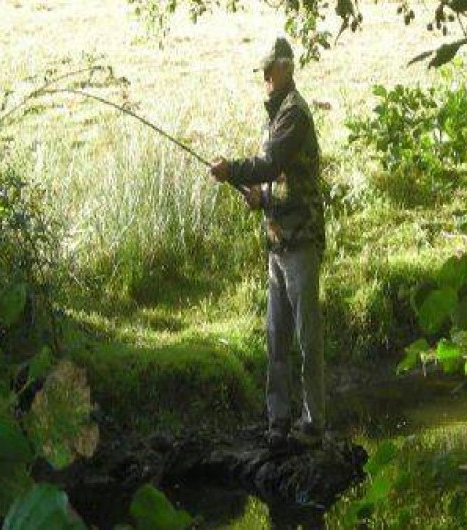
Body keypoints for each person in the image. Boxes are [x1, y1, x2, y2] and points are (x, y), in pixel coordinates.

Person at [210, 37, 326, 448]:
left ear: (285, 69)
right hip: (278, 241)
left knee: (306, 338)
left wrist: (232, 170)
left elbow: (270, 162)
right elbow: (279, 178)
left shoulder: (294, 114)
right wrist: (261, 197)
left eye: (269, 70)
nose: (264, 78)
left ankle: (312, 423)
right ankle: (278, 421)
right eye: (263, 72)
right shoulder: (276, 115)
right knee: (275, 337)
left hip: (301, 240)